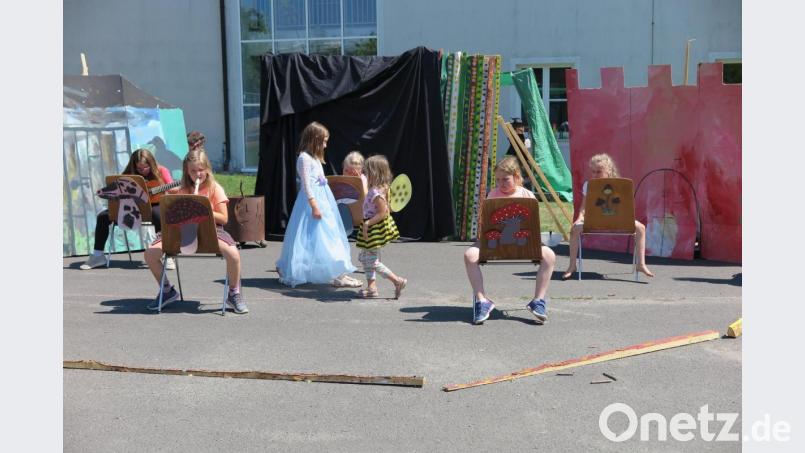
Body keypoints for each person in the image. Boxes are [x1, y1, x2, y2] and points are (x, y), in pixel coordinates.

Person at [143, 148, 249, 314]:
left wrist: (203, 210)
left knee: (234, 255)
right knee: (150, 254)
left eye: (201, 170)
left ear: (207, 169)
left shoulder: (215, 188)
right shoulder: (183, 189)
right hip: (182, 231)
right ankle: (167, 290)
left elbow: (223, 218)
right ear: (187, 171)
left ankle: (233, 293)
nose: (197, 174)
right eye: (193, 171)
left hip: (211, 231)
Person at [464, 156, 556, 325]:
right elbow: (486, 224)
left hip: (524, 242)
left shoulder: (527, 195)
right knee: (470, 255)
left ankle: (538, 300)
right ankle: (482, 300)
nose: (501, 184)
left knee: (549, 255)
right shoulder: (493, 195)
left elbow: (533, 224)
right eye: (498, 180)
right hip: (495, 242)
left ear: (516, 176)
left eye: (505, 179)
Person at [276, 122, 356, 287]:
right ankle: (333, 273)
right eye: (324, 141)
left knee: (329, 236)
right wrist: (314, 206)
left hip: (323, 200)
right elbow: (306, 185)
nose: (325, 145)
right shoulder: (304, 159)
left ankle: (338, 271)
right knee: (314, 237)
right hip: (312, 203)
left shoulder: (315, 159)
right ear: (315, 140)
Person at [562, 153, 654, 280]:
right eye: (593, 171)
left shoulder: (620, 185)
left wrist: (626, 217)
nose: (595, 175)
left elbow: (625, 206)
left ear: (608, 170)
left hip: (617, 220)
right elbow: (583, 207)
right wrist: (579, 218)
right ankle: (572, 266)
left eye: (599, 171)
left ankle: (641, 264)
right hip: (595, 220)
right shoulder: (589, 185)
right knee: (575, 229)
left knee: (641, 228)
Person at [80, 148, 176, 270]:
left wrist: (172, 189)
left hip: (153, 205)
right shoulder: (128, 174)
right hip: (131, 206)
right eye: (139, 168)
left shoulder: (162, 171)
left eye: (146, 168)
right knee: (102, 217)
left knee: (159, 215)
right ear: (134, 165)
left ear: (151, 164)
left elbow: (172, 187)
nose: (143, 171)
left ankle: (167, 255)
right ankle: (98, 255)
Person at [355, 155, 407, 299]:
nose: (364, 174)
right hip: (373, 226)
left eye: (367, 172)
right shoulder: (381, 189)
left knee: (370, 260)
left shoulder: (375, 192)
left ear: (374, 173)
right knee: (366, 257)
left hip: (373, 228)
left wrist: (368, 224)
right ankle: (371, 288)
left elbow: (383, 212)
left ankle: (397, 281)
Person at [330, 151, 368, 288]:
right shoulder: (340, 179)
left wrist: (359, 182)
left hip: (355, 215)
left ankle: (341, 273)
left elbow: (366, 198)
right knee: (337, 243)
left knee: (343, 243)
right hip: (339, 215)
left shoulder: (363, 179)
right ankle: (339, 273)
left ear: (360, 170)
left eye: (353, 172)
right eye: (346, 170)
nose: (348, 174)